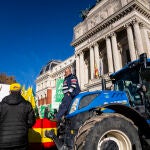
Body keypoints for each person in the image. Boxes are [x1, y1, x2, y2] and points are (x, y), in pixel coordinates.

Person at [0, 83, 36, 150]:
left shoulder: (1, 105)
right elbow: (32, 121)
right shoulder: (27, 105)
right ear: (20, 92)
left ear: (10, 92)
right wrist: (24, 127)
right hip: (21, 141)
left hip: (3, 141)